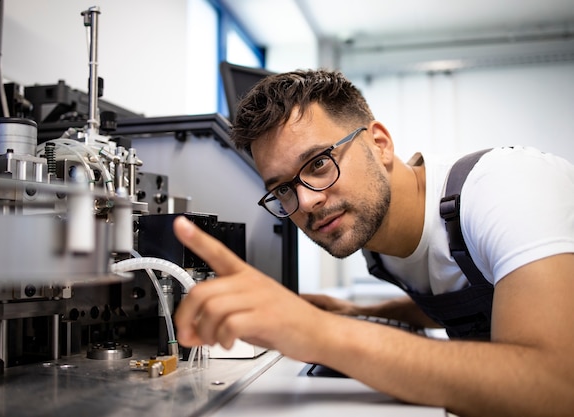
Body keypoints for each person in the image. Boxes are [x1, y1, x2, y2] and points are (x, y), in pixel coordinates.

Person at [172, 69, 574, 417]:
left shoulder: (503, 187)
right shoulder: (374, 233)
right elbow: (470, 300)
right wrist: (358, 311)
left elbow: (558, 389)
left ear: (379, 144)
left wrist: (320, 331)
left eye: (317, 163)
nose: (307, 200)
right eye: (283, 190)